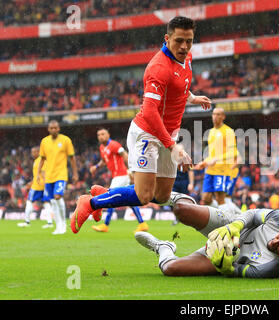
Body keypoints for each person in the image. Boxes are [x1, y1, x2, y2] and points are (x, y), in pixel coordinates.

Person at [71, 16, 211, 234]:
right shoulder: (158, 68)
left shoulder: (186, 57)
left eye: (189, 41)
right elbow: (149, 111)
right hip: (147, 133)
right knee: (144, 196)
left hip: (168, 135)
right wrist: (172, 146)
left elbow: (178, 84)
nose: (184, 46)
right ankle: (89, 203)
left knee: (162, 196)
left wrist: (192, 98)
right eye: (179, 41)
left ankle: (103, 193)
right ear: (167, 38)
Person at [134, 196, 279, 278]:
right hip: (231, 225)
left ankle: (164, 248)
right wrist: (235, 226)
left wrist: (225, 267)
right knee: (182, 210)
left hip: (223, 254)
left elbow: (235, 271)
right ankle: (169, 195)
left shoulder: (271, 269)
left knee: (170, 270)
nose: (275, 241)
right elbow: (253, 214)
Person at [89, 128, 148, 233]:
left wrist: (131, 170)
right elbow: (104, 160)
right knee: (128, 199)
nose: (101, 136)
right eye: (98, 135)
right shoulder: (102, 147)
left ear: (108, 134)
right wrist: (96, 166)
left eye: (103, 134)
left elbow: (125, 155)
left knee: (111, 196)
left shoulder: (114, 145)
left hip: (121, 175)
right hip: (117, 176)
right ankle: (142, 223)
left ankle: (106, 225)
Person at [37, 120, 78, 235]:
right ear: (48, 129)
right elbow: (42, 159)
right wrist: (38, 174)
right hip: (49, 176)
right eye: (51, 128)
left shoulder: (65, 140)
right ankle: (58, 225)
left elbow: (72, 158)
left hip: (61, 174)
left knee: (58, 196)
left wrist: (75, 173)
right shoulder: (44, 141)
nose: (53, 130)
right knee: (52, 201)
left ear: (59, 128)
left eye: (55, 128)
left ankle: (64, 224)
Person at [195, 107, 237, 212]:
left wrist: (216, 159)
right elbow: (212, 153)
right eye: (214, 114)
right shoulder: (211, 132)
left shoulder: (228, 131)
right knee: (206, 198)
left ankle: (228, 220)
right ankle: (225, 214)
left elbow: (233, 152)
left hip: (222, 169)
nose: (215, 116)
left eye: (218, 114)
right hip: (210, 169)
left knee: (220, 198)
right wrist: (204, 163)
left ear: (223, 117)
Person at [17, 147, 53, 228]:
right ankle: (50, 223)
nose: (32, 154)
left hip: (37, 187)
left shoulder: (40, 161)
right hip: (42, 185)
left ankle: (27, 221)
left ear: (38, 152)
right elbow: (37, 175)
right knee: (46, 203)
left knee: (29, 201)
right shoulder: (38, 161)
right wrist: (30, 183)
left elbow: (43, 173)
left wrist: (45, 184)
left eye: (33, 152)